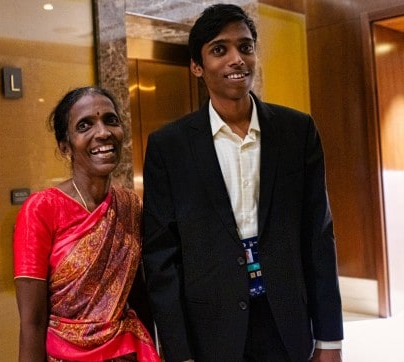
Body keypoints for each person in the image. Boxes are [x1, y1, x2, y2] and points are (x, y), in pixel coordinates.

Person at [141, 4, 343, 362]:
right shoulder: (168, 147)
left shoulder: (297, 131)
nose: (237, 59)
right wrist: (178, 350)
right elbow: (161, 258)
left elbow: (318, 236)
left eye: (245, 47)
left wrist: (329, 340)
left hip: (287, 324)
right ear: (196, 66)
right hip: (210, 331)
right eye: (220, 50)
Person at [13, 86, 161, 362]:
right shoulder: (41, 210)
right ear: (65, 146)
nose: (103, 132)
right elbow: (31, 322)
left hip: (126, 353)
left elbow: (141, 300)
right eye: (85, 125)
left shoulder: (130, 206)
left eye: (110, 120)